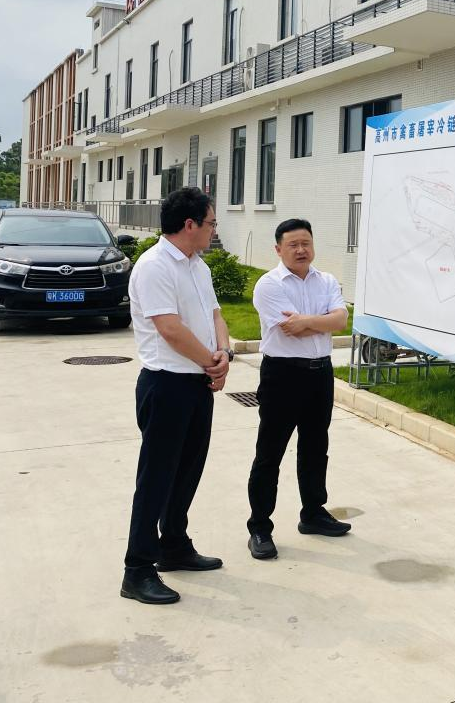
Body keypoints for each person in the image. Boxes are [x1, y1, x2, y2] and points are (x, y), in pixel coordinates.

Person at [121, 187, 232, 605]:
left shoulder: (197, 265)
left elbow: (216, 314)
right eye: (211, 223)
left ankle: (174, 545)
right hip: (166, 384)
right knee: (156, 479)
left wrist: (223, 353)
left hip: (197, 383)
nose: (213, 230)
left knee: (187, 471)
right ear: (190, 224)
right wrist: (210, 362)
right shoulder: (154, 266)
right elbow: (169, 328)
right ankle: (137, 570)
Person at [246, 218, 351, 559]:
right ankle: (260, 527)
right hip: (282, 375)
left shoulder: (327, 280)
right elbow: (290, 329)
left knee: (316, 446)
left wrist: (307, 321)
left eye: (306, 243)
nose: (301, 250)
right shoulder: (268, 285)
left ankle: (313, 513)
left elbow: (341, 320)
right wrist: (321, 322)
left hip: (320, 374)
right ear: (278, 249)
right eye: (293, 244)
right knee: (270, 453)